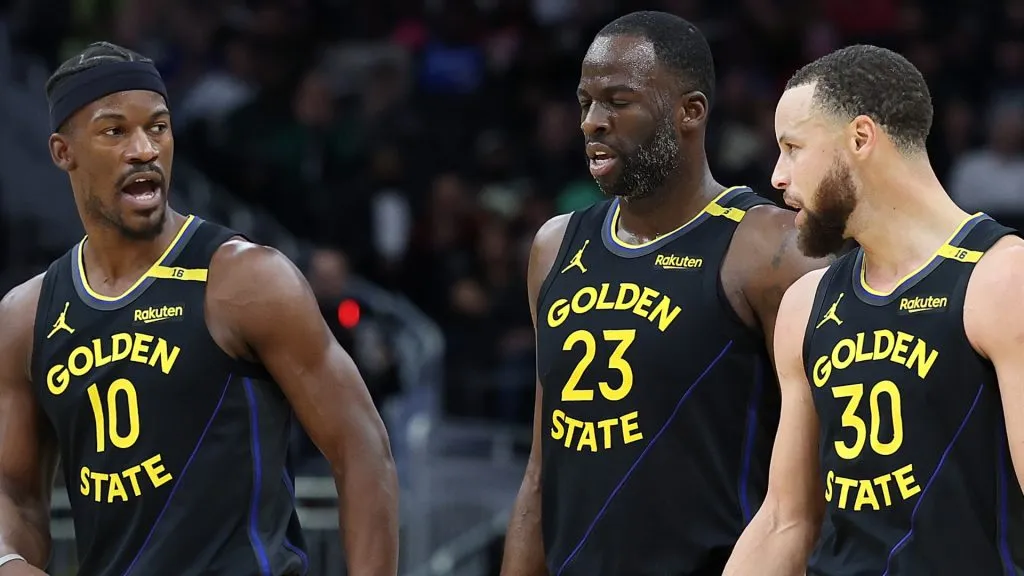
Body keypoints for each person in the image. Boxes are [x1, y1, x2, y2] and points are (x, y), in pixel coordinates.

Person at [0, 42, 399, 576]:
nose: (143, 149)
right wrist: (9, 558)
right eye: (115, 131)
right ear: (62, 152)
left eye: (158, 127)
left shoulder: (245, 278)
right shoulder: (28, 316)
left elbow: (362, 448)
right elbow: (15, 491)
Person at [500, 12, 829, 576]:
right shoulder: (555, 247)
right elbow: (541, 468)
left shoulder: (769, 251)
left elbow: (827, 472)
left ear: (690, 112)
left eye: (617, 101)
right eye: (585, 104)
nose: (592, 123)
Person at [724, 45, 1024, 576]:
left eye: (792, 147)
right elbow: (785, 522)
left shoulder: (1001, 279)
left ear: (860, 138)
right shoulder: (807, 302)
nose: (776, 175)